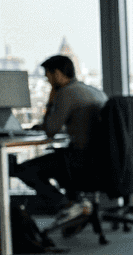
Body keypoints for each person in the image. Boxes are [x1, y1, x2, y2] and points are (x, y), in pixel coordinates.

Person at [11, 55, 107, 228]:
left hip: (79, 160)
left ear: (56, 73)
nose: (47, 81)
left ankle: (68, 205)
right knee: (56, 159)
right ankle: (76, 212)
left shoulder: (65, 93)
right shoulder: (94, 90)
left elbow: (50, 130)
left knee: (24, 170)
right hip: (99, 160)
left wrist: (50, 100)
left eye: (47, 76)